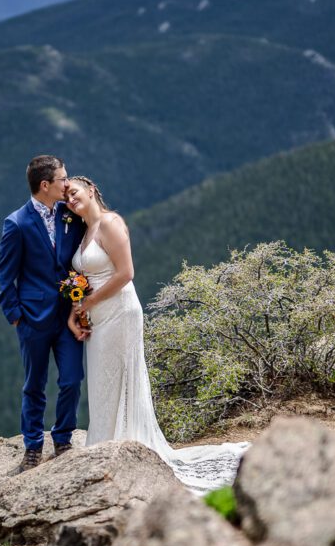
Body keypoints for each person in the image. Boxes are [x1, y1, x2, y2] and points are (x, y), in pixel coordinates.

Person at [66, 175, 248, 495]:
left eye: (74, 192)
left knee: (120, 380)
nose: (70, 199)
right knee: (102, 383)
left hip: (120, 313)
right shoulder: (84, 232)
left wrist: (90, 301)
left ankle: (123, 450)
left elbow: (125, 273)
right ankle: (105, 448)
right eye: (66, 196)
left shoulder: (111, 223)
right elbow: (84, 278)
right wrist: (77, 309)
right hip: (97, 317)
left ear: (92, 190)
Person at [0, 155, 86, 473]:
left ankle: (62, 439)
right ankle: (33, 447)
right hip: (32, 319)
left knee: (72, 380)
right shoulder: (17, 223)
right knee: (34, 385)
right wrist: (15, 315)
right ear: (45, 185)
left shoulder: (69, 214)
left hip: (68, 317)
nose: (68, 183)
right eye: (63, 179)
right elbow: (5, 277)